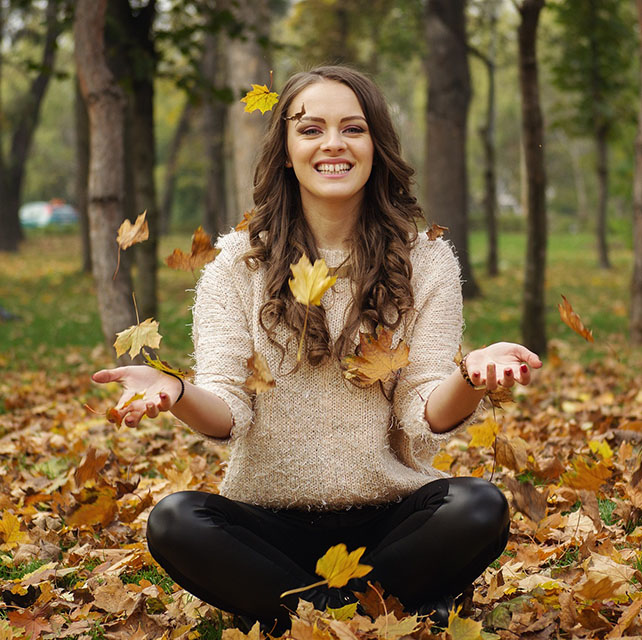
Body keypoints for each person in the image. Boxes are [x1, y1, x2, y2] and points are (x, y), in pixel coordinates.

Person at [92, 65, 542, 633]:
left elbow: (425, 410)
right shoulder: (236, 265)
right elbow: (228, 411)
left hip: (391, 523)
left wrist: (471, 377)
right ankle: (370, 613)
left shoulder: (425, 261)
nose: (333, 144)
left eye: (352, 128)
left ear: (376, 145)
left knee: (478, 507)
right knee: (176, 521)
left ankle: (305, 617)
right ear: (284, 149)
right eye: (310, 130)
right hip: (270, 529)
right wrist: (178, 391)